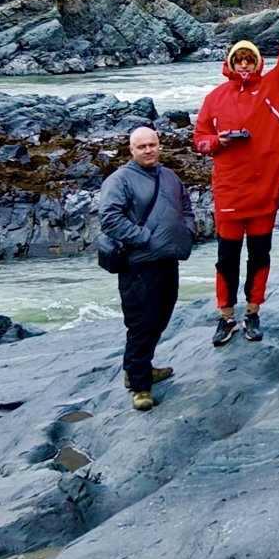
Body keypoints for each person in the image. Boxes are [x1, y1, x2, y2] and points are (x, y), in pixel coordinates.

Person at [191, 0, 279, 344]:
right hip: (229, 192)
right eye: (238, 60)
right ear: (230, 63)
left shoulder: (272, 86)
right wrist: (217, 143)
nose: (243, 65)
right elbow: (199, 140)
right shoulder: (215, 97)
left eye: (249, 60)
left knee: (259, 256)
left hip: (263, 193)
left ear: (257, 63)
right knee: (226, 258)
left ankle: (253, 311)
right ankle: (225, 316)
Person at [96, 126, 194, 411]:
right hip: (139, 265)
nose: (149, 150)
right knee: (141, 323)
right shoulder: (120, 180)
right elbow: (109, 218)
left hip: (168, 260)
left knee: (162, 317)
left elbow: (185, 206)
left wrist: (188, 230)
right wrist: (144, 239)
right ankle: (140, 388)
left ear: (159, 146)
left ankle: (137, 368)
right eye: (142, 147)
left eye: (153, 144)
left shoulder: (169, 176)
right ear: (132, 150)